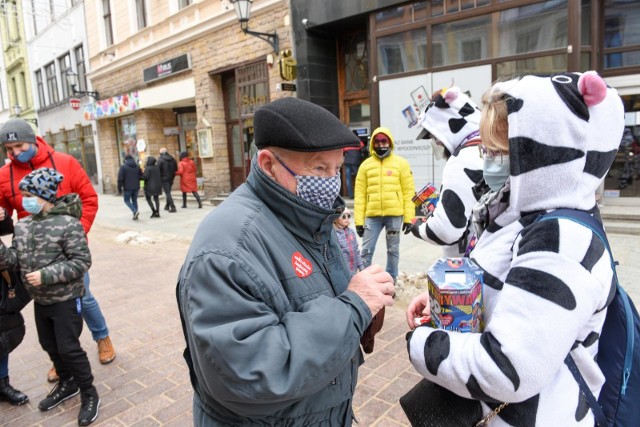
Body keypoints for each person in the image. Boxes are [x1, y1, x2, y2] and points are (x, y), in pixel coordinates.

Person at [405, 71, 623, 425]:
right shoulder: (521, 214)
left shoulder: (559, 240)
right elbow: (505, 294)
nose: (487, 160)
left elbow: (505, 368)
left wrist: (422, 343)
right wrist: (444, 303)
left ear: (540, 151)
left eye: (498, 151)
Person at [177, 97, 395, 426]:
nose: (331, 181)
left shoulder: (309, 216)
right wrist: (352, 308)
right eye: (319, 168)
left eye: (337, 168)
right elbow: (250, 374)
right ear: (268, 164)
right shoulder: (225, 249)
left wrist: (363, 312)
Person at [0, 118, 115, 383]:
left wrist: (76, 232)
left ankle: (102, 337)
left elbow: (89, 199)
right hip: (30, 251)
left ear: (32, 140)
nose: (16, 153)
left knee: (82, 298)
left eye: (19, 146)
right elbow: (5, 217)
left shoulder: (65, 162)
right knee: (47, 307)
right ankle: (60, 359)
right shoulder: (4, 175)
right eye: (9, 149)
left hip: (66, 247)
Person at [0, 168, 100, 425]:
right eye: (22, 195)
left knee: (69, 347)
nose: (24, 201)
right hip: (41, 300)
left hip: (66, 298)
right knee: (49, 345)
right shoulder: (22, 227)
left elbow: (81, 261)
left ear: (44, 195)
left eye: (28, 195)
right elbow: (12, 261)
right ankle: (68, 384)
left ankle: (89, 391)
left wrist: (46, 275)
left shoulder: (68, 224)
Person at [409, 86, 487, 256]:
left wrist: (417, 227)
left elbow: (446, 231)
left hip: (472, 262)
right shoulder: (489, 148)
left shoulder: (462, 160)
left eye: (435, 135)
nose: (437, 143)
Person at [354, 127, 415, 283]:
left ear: (390, 142)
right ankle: (364, 282)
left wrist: (409, 218)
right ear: (372, 143)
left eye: (384, 141)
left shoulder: (401, 164)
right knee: (366, 251)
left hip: (394, 215)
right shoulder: (365, 166)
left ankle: (391, 280)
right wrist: (359, 222)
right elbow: (360, 195)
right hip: (372, 216)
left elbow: (409, 192)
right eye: (377, 141)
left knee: (393, 250)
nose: (381, 145)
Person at [333, 207, 363, 276]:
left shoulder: (351, 232)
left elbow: (356, 250)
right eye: (343, 216)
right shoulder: (334, 234)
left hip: (353, 269)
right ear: (336, 219)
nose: (346, 218)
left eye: (348, 216)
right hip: (341, 271)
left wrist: (361, 266)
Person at [117, 154, 143, 220]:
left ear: (125, 160)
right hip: (136, 186)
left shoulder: (123, 167)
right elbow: (141, 176)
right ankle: (135, 214)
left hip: (127, 187)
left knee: (127, 200)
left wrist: (119, 189)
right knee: (134, 200)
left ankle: (134, 211)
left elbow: (120, 179)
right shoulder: (137, 166)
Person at [343, 131, 364, 199]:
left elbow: (342, 151)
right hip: (355, 162)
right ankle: (359, 194)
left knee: (348, 179)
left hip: (347, 162)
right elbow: (364, 150)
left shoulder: (347, 142)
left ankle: (351, 195)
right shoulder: (359, 142)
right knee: (359, 178)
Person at [157, 147, 177, 213]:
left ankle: (173, 206)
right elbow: (176, 169)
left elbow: (158, 170)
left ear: (161, 153)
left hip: (164, 178)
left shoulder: (160, 160)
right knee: (168, 192)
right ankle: (167, 205)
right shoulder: (173, 159)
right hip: (171, 178)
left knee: (167, 193)